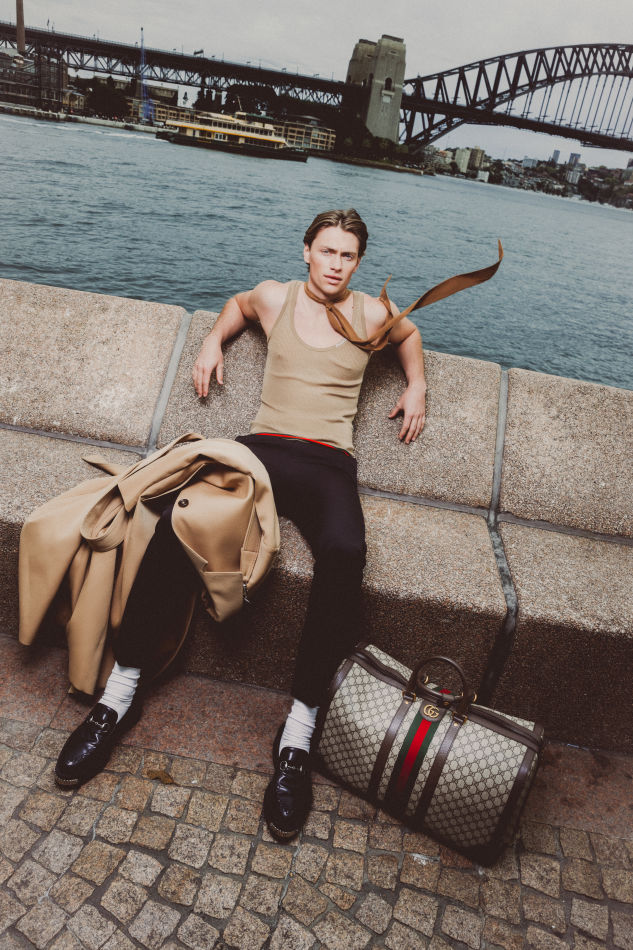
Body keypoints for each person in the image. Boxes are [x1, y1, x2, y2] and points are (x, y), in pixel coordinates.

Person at [55, 208, 426, 842]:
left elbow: (410, 335)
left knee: (345, 553)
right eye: (327, 251)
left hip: (329, 463)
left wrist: (416, 385)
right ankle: (119, 694)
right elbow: (237, 305)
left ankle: (298, 735)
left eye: (348, 256)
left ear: (359, 262)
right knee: (176, 522)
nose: (336, 265)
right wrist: (212, 340)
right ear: (306, 251)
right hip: (262, 451)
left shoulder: (372, 313)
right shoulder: (275, 297)